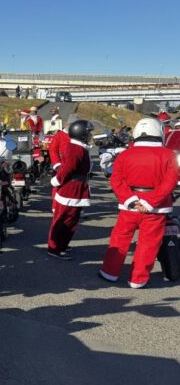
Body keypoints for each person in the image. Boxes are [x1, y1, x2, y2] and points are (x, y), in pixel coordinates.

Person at [99, 118, 178, 288]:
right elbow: (170, 182)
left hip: (129, 206)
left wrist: (131, 200)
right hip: (156, 209)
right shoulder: (169, 155)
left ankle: (110, 272)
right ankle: (138, 279)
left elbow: (116, 180)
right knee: (148, 244)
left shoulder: (125, 154)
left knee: (119, 239)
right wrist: (150, 202)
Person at [47, 119, 92, 259]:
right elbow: (67, 169)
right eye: (88, 132)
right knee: (63, 219)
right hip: (70, 188)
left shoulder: (78, 147)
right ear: (81, 133)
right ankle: (55, 247)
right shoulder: (75, 149)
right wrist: (58, 180)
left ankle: (62, 244)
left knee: (71, 219)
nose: (90, 135)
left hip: (76, 187)